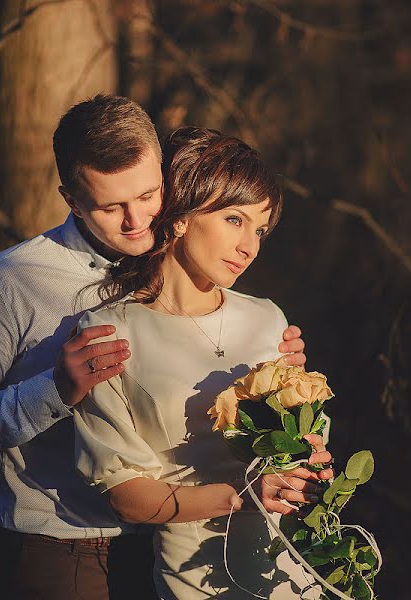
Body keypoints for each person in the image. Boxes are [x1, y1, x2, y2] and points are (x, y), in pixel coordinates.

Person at [0, 95, 308, 600]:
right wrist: (53, 391)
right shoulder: (12, 282)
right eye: (110, 207)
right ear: (72, 199)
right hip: (72, 552)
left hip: (193, 547)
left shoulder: (195, 270)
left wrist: (269, 374)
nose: (136, 221)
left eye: (149, 195)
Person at [72, 127, 334, 599]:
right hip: (198, 576)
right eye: (235, 220)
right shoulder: (109, 332)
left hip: (293, 567)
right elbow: (125, 495)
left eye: (259, 229)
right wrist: (244, 495)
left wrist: (310, 463)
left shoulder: (267, 318)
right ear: (181, 217)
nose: (249, 246)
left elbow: (297, 443)